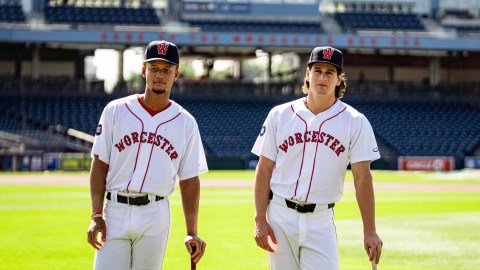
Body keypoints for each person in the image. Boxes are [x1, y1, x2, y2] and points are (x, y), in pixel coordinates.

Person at [252, 46, 383, 270]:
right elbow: (264, 168)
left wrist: (369, 230)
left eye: (330, 72)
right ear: (307, 75)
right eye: (318, 70)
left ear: (340, 79)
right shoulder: (280, 114)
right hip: (280, 216)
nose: (322, 77)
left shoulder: (355, 121)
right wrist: (259, 219)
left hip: (320, 219)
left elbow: (362, 178)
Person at [87, 40, 208, 270]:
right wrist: (96, 214)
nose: (159, 75)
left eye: (166, 69)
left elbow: (190, 179)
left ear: (176, 74)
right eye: (154, 69)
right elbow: (99, 164)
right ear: (144, 71)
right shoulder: (115, 110)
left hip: (155, 212)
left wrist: (192, 232)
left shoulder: (186, 122)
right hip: (115, 210)